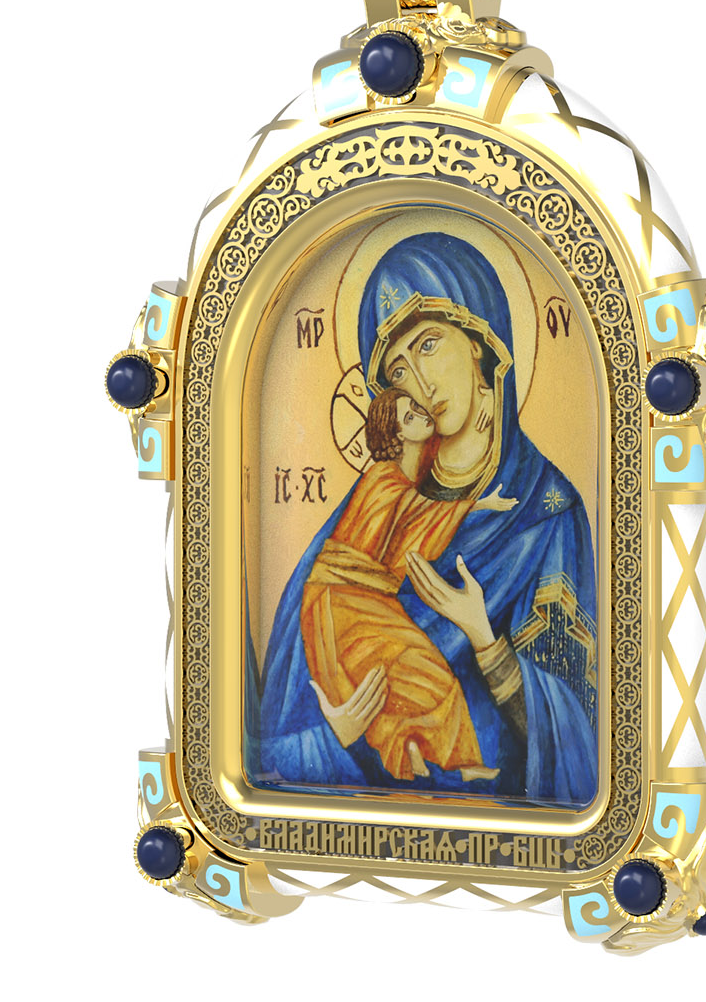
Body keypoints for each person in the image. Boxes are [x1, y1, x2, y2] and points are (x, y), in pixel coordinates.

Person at [256, 232, 597, 807]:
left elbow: (582, 742)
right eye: (397, 371)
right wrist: (335, 735)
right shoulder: (364, 515)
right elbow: (271, 748)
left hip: (501, 834)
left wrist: (484, 639)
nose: (419, 381)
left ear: (482, 341)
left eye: (429, 344)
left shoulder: (545, 515)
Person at [300, 386, 515, 781]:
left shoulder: (406, 481)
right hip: (343, 601)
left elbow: (411, 525)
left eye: (417, 409)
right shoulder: (383, 478)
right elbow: (418, 515)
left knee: (402, 682)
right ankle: (452, 760)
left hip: (368, 598)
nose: (421, 414)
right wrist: (477, 505)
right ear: (396, 433)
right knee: (424, 673)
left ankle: (413, 750)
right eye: (410, 415)